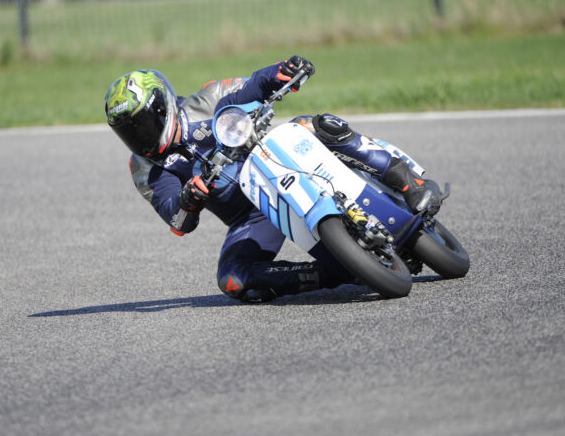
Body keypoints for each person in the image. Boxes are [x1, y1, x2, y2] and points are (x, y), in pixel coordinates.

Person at [104, 56, 442, 302]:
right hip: (251, 215)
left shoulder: (205, 101)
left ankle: (404, 178)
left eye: (142, 124)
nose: (139, 137)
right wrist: (187, 200)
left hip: (276, 157)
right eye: (128, 133)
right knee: (233, 279)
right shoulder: (144, 168)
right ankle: (332, 274)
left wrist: (283, 71)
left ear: (162, 107)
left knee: (313, 124)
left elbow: (253, 85)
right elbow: (175, 217)